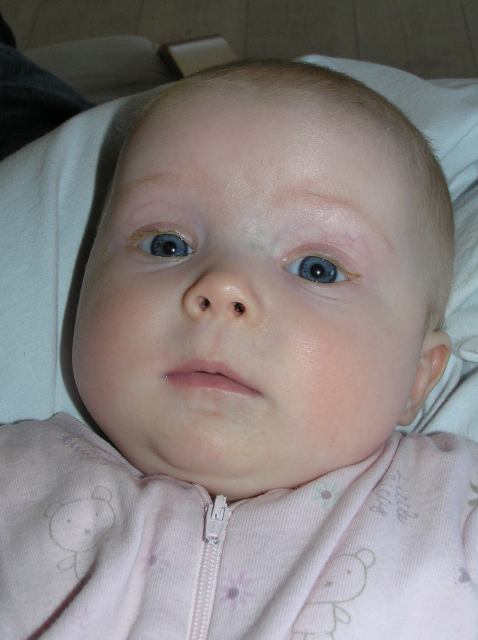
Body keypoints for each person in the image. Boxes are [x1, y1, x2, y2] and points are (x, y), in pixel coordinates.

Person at [1, 59, 477, 639]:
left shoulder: (453, 510)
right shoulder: (15, 482)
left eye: (318, 268)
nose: (223, 286)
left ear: (418, 376)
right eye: (168, 244)